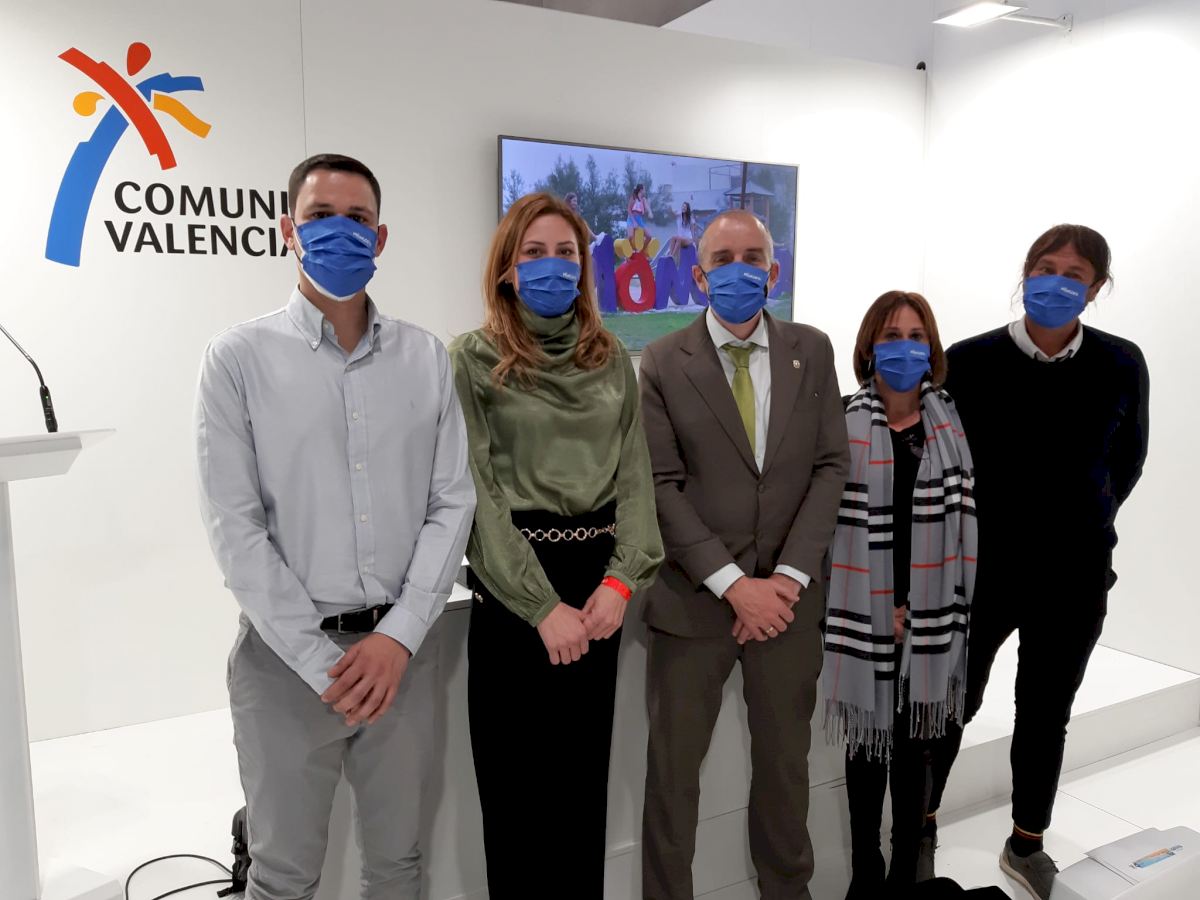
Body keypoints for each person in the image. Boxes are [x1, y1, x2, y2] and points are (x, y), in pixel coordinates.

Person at [195, 153, 476, 900]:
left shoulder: (425, 357)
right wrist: (325, 664)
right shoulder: (238, 359)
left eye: (357, 219)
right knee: (282, 876)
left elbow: (452, 501)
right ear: (288, 230)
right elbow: (234, 528)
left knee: (398, 866)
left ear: (380, 238)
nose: (339, 231)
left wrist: (399, 636)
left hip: (402, 661)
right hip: (286, 663)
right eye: (320, 217)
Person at [925, 225, 1150, 900]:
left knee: (1046, 711)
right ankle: (919, 827)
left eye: (1073, 274)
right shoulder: (968, 361)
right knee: (951, 703)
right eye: (1045, 267)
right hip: (981, 571)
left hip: (1074, 576)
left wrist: (1083, 519)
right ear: (1025, 273)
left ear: (1096, 288)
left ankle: (1026, 843)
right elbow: (940, 464)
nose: (1055, 282)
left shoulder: (1121, 362)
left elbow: (1127, 461)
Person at [450, 192, 663, 899]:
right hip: (514, 590)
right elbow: (475, 490)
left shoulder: (611, 358)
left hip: (598, 591)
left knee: (580, 797)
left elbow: (635, 476)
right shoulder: (472, 358)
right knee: (517, 803)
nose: (552, 266)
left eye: (565, 253)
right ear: (507, 269)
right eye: (534, 253)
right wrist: (541, 607)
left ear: (584, 266)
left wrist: (621, 581)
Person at [639, 209, 850, 900]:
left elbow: (829, 465)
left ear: (773, 270)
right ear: (699, 276)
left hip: (788, 606)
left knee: (787, 768)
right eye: (722, 260)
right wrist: (734, 585)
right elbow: (659, 485)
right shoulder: (663, 360)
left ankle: (787, 892)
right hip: (694, 603)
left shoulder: (812, 349)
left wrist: (786, 578)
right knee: (673, 777)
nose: (739, 271)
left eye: (752, 257)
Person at [824, 292, 977, 898]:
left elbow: (965, 524)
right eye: (891, 336)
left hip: (931, 617)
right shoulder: (842, 422)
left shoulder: (952, 425)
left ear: (931, 348)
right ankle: (865, 872)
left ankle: (903, 870)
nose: (905, 348)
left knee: (917, 752)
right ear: (869, 347)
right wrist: (877, 611)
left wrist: (918, 612)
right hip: (865, 615)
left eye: (917, 336)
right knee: (866, 752)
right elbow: (824, 528)